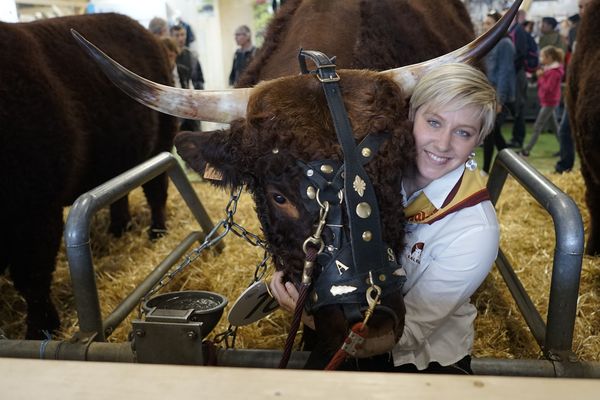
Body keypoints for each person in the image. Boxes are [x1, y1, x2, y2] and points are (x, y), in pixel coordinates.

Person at [269, 63, 499, 374]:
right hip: (346, 327)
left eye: (463, 133)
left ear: (479, 141)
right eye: (433, 122)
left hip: (415, 363)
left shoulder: (474, 229)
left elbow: (404, 335)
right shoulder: (374, 173)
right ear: (410, 117)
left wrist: (306, 316)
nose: (443, 144)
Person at [555, 0, 594, 173]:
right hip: (576, 88)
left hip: (593, 91)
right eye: (580, 6)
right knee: (565, 130)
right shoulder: (573, 31)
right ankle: (565, 167)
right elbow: (572, 60)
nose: (583, 10)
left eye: (587, 5)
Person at [482, 11, 516, 173]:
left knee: (490, 132)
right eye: (484, 23)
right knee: (494, 135)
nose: (485, 26)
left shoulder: (504, 44)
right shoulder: (491, 42)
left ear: (499, 24)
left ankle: (486, 170)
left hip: (497, 96)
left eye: (489, 23)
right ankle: (512, 168)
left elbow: (505, 72)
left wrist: (500, 100)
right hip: (489, 94)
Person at [519, 46, 565, 157]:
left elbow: (548, 88)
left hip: (550, 102)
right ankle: (565, 149)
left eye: (542, 56)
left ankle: (526, 150)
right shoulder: (549, 70)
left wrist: (541, 77)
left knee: (537, 126)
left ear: (549, 58)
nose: (540, 58)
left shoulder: (554, 72)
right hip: (548, 101)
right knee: (555, 128)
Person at [506, 11, 529, 149]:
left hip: (517, 74)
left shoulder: (517, 31)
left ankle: (518, 138)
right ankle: (516, 137)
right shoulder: (513, 30)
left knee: (519, 107)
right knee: (516, 107)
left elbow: (521, 53)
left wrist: (512, 69)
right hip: (515, 73)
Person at [170, 24, 204, 90]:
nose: (180, 38)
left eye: (182, 35)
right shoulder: (169, 57)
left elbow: (199, 80)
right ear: (171, 37)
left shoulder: (192, 56)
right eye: (177, 35)